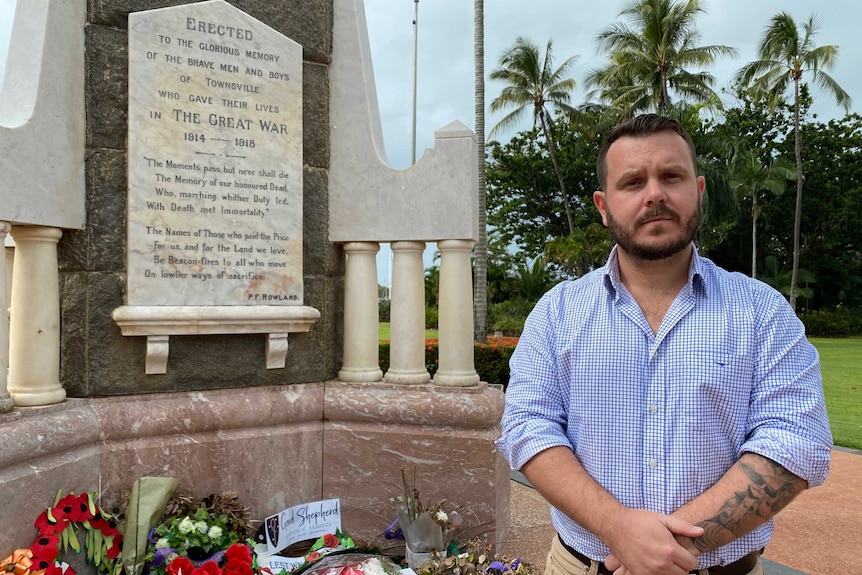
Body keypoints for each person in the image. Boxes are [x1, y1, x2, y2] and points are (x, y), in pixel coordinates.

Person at [496, 114, 832, 575]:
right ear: (603, 205)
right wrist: (618, 528)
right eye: (632, 182)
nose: (654, 193)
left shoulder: (762, 312)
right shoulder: (557, 313)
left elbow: (795, 442)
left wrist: (660, 548)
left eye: (670, 176)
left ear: (698, 190)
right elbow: (527, 426)